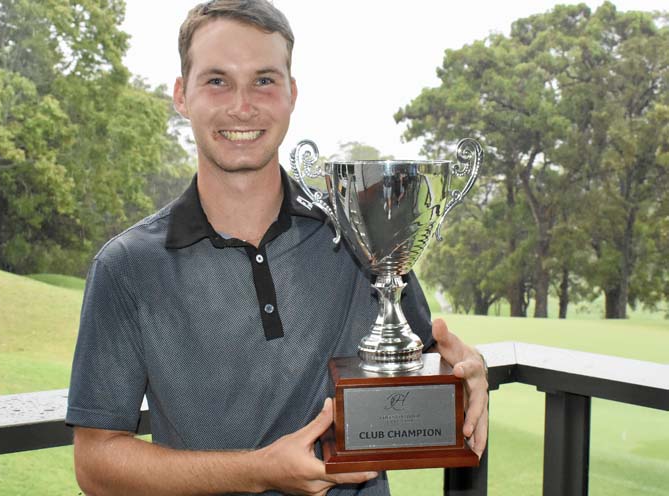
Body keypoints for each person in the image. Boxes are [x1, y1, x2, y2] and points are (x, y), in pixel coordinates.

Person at [66, 1, 488, 495]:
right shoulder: (126, 267)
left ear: (292, 94)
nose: (242, 106)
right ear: (182, 95)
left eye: (264, 80)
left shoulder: (360, 230)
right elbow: (95, 463)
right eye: (217, 81)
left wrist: (468, 372)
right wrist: (258, 470)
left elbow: (422, 361)